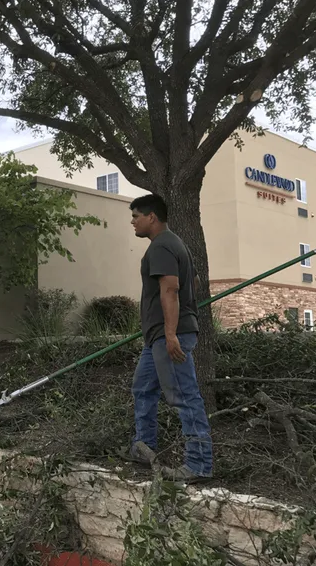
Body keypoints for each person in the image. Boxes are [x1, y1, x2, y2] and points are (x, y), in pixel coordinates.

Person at [124, 194, 213, 483]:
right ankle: (144, 447)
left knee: (184, 397)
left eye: (136, 215)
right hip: (158, 338)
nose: (133, 221)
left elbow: (171, 289)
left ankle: (199, 465)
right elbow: (194, 282)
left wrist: (172, 332)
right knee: (143, 388)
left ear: (152, 217)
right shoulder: (176, 243)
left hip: (167, 335)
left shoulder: (162, 245)